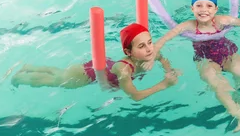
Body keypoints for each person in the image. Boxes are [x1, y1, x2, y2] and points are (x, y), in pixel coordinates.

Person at [152, 0, 240, 132]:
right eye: (199, 5)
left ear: (216, 9)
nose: (204, 10)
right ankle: (239, 116)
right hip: (205, 58)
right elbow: (164, 39)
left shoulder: (222, 21)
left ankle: (238, 92)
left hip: (227, 53)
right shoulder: (188, 26)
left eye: (209, 6)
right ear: (192, 8)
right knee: (219, 84)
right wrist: (152, 55)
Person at [11, 23, 179, 101]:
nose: (150, 49)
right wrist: (163, 84)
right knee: (56, 81)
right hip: (86, 75)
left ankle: (29, 67)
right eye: (142, 46)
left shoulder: (150, 54)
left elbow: (162, 58)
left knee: (60, 73)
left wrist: (168, 70)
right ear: (129, 52)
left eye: (150, 42)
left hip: (102, 66)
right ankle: (19, 77)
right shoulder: (124, 70)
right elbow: (135, 96)